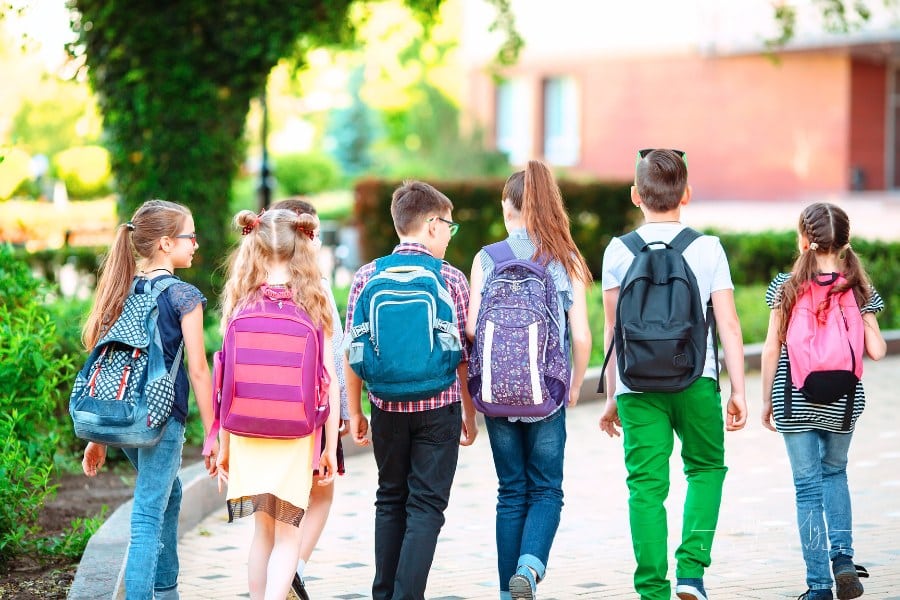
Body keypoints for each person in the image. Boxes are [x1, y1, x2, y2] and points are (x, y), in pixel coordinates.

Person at [598, 149, 747, 600]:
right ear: (687, 194)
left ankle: (652, 590)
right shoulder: (707, 248)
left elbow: (612, 331)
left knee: (645, 485)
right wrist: (738, 389)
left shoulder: (617, 250)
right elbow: (730, 325)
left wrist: (610, 397)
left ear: (634, 196)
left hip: (635, 384)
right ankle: (691, 572)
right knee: (705, 468)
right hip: (696, 380)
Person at [465, 160, 592, 600]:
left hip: (498, 394)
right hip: (547, 392)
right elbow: (582, 335)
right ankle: (530, 568)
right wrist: (574, 386)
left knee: (511, 492)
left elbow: (469, 329)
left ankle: (507, 592)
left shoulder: (486, 258)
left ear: (507, 207)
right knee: (546, 490)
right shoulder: (565, 257)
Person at [345, 180, 478, 600]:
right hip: (439, 407)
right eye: (450, 228)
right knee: (425, 506)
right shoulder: (452, 280)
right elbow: (462, 355)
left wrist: (355, 411)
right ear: (434, 226)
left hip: (385, 405)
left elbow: (353, 348)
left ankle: (384, 593)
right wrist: (469, 415)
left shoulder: (366, 276)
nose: (449, 237)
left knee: (390, 499)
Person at [80, 199, 216, 600]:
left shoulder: (122, 290)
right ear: (165, 244)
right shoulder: (183, 297)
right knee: (147, 513)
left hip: (122, 418)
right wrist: (213, 434)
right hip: (159, 420)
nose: (196, 243)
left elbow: (110, 364)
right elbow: (198, 371)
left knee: (167, 492)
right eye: (190, 236)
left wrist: (100, 437)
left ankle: (166, 589)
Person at [760, 202, 886, 600]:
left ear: (803, 240)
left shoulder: (785, 286)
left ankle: (818, 587)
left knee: (807, 489)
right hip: (844, 403)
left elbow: (770, 347)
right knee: (836, 474)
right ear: (847, 242)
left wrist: (765, 401)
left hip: (794, 399)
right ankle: (844, 560)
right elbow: (879, 351)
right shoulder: (859, 288)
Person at [215, 208, 341, 600]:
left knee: (262, 533)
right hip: (296, 435)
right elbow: (328, 381)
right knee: (290, 536)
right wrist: (328, 449)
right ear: (301, 245)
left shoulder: (239, 301)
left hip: (247, 431)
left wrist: (223, 442)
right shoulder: (313, 302)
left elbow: (226, 377)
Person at [270, 197, 350, 600]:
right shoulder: (314, 283)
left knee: (272, 511)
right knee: (321, 492)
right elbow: (335, 356)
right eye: (312, 233)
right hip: (314, 411)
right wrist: (346, 413)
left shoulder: (253, 282)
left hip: (264, 413)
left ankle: (277, 576)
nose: (316, 241)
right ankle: (292, 572)